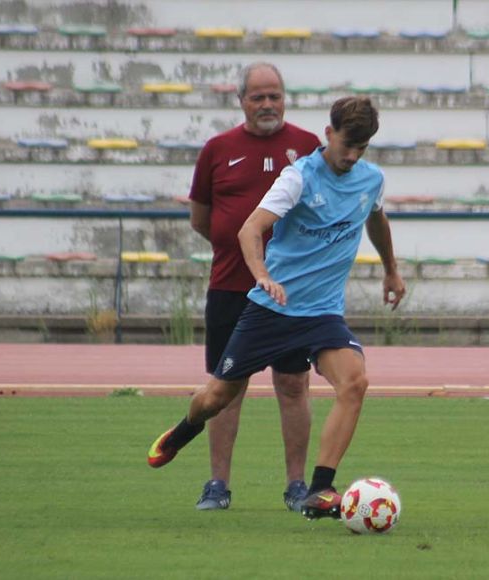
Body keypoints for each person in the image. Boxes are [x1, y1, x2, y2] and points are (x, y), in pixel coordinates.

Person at [150, 96, 405, 520]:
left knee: (354, 382)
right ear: (328, 134)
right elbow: (251, 228)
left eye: (362, 149)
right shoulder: (299, 177)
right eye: (347, 146)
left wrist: (391, 271)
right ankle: (183, 430)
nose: (353, 156)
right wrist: (263, 274)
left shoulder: (370, 180)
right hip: (272, 310)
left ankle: (320, 489)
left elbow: (375, 218)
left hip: (322, 314)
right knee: (216, 397)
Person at [185, 62, 321, 511]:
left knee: (293, 383)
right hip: (230, 287)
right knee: (226, 386)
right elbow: (202, 218)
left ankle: (297, 485)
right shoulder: (217, 149)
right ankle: (218, 485)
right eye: (258, 96)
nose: (267, 104)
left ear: (286, 98)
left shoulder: (307, 147)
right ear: (241, 100)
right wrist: (240, 252)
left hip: (290, 292)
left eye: (275, 95)